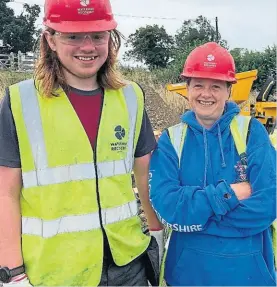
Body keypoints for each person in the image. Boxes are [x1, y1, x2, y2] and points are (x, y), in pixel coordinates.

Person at [0, 0, 163, 285]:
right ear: (50, 39)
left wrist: (156, 230)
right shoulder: (20, 102)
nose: (88, 47)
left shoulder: (131, 98)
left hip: (127, 264)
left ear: (110, 39)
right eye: (73, 36)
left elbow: (145, 174)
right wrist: (12, 273)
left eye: (98, 36)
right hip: (55, 272)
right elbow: (5, 193)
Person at [149, 42, 276, 286]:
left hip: (247, 275)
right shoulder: (171, 140)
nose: (206, 94)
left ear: (229, 90)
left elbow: (268, 204)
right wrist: (227, 195)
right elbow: (168, 208)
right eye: (198, 85)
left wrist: (197, 218)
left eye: (216, 86)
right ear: (187, 88)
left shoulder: (252, 133)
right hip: (188, 275)